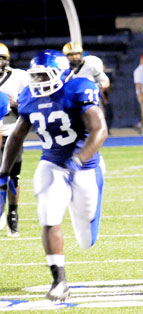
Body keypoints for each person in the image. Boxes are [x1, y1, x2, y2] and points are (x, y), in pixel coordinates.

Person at [0, 50, 108, 301]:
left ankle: (86, 219)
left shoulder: (78, 88)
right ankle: (59, 280)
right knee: (49, 218)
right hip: (51, 163)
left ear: (59, 74)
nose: (37, 82)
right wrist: (3, 174)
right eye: (34, 77)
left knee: (86, 239)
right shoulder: (29, 96)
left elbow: (99, 130)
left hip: (86, 166)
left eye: (42, 76)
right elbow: (16, 136)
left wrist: (78, 160)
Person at [0, 42, 30, 237]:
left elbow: (30, 107)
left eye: (0, 57)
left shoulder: (19, 77)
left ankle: (12, 213)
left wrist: (14, 103)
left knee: (12, 177)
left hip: (12, 134)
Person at [62, 41, 111, 134]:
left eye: (76, 54)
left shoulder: (90, 64)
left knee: (95, 128)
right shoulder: (63, 69)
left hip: (90, 101)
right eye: (71, 55)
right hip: (72, 103)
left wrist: (94, 86)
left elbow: (106, 82)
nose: (74, 57)